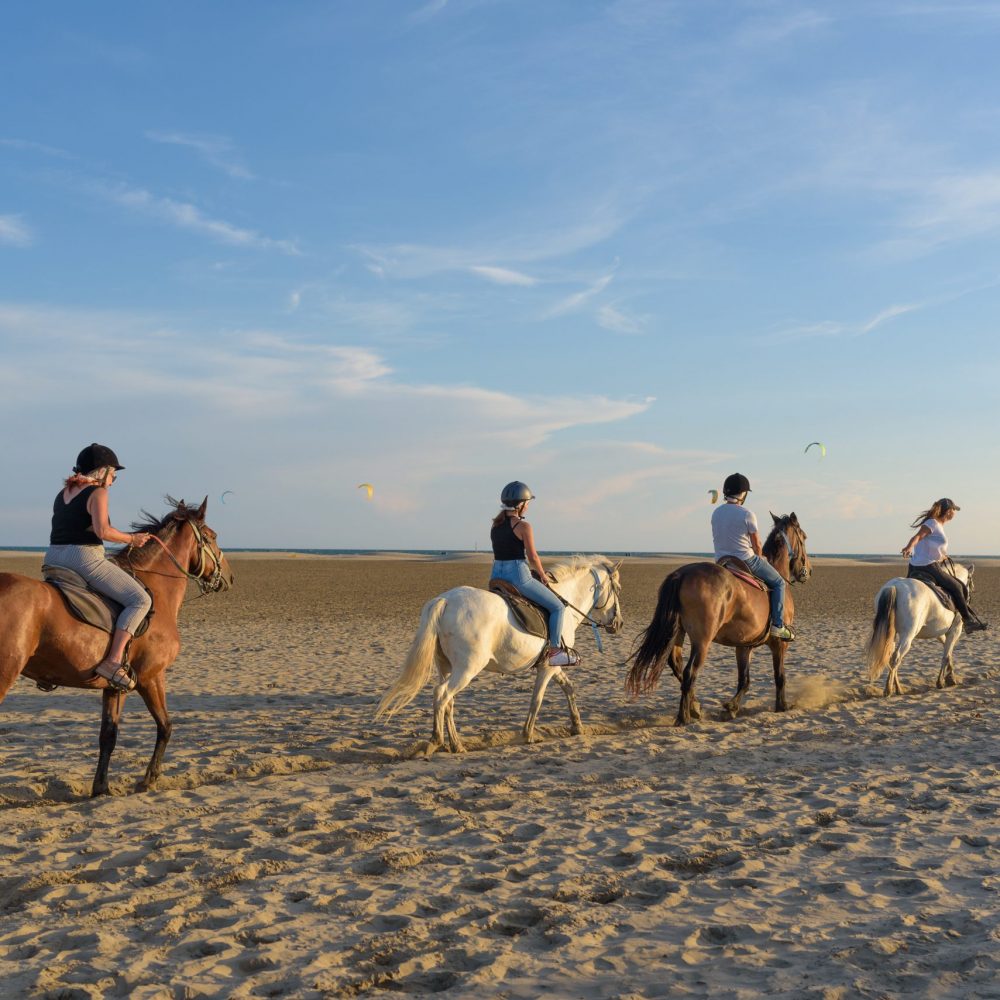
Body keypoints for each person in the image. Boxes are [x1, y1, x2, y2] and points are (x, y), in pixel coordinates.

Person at [45, 443, 154, 691]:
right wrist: (132, 539)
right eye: (113, 474)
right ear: (102, 471)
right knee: (140, 601)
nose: (113, 481)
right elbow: (102, 531)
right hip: (83, 558)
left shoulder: (63, 493)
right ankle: (113, 662)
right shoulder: (98, 493)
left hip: (53, 557)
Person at [489, 481, 579, 666]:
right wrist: (543, 575)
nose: (528, 506)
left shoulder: (495, 526)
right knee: (557, 607)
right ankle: (555, 651)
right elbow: (533, 557)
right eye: (528, 503)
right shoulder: (523, 526)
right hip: (517, 575)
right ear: (520, 504)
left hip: (496, 574)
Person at [711, 473, 795, 641]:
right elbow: (756, 545)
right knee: (779, 582)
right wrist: (761, 557)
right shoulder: (747, 514)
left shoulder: (716, 512)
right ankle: (778, 626)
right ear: (743, 494)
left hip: (721, 561)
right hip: (745, 560)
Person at [901, 498, 987, 632]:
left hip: (915, 565)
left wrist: (943, 556)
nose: (955, 513)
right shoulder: (932, 523)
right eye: (954, 510)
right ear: (949, 511)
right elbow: (918, 537)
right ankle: (968, 620)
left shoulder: (937, 525)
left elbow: (929, 547)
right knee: (958, 586)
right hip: (928, 566)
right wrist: (909, 547)